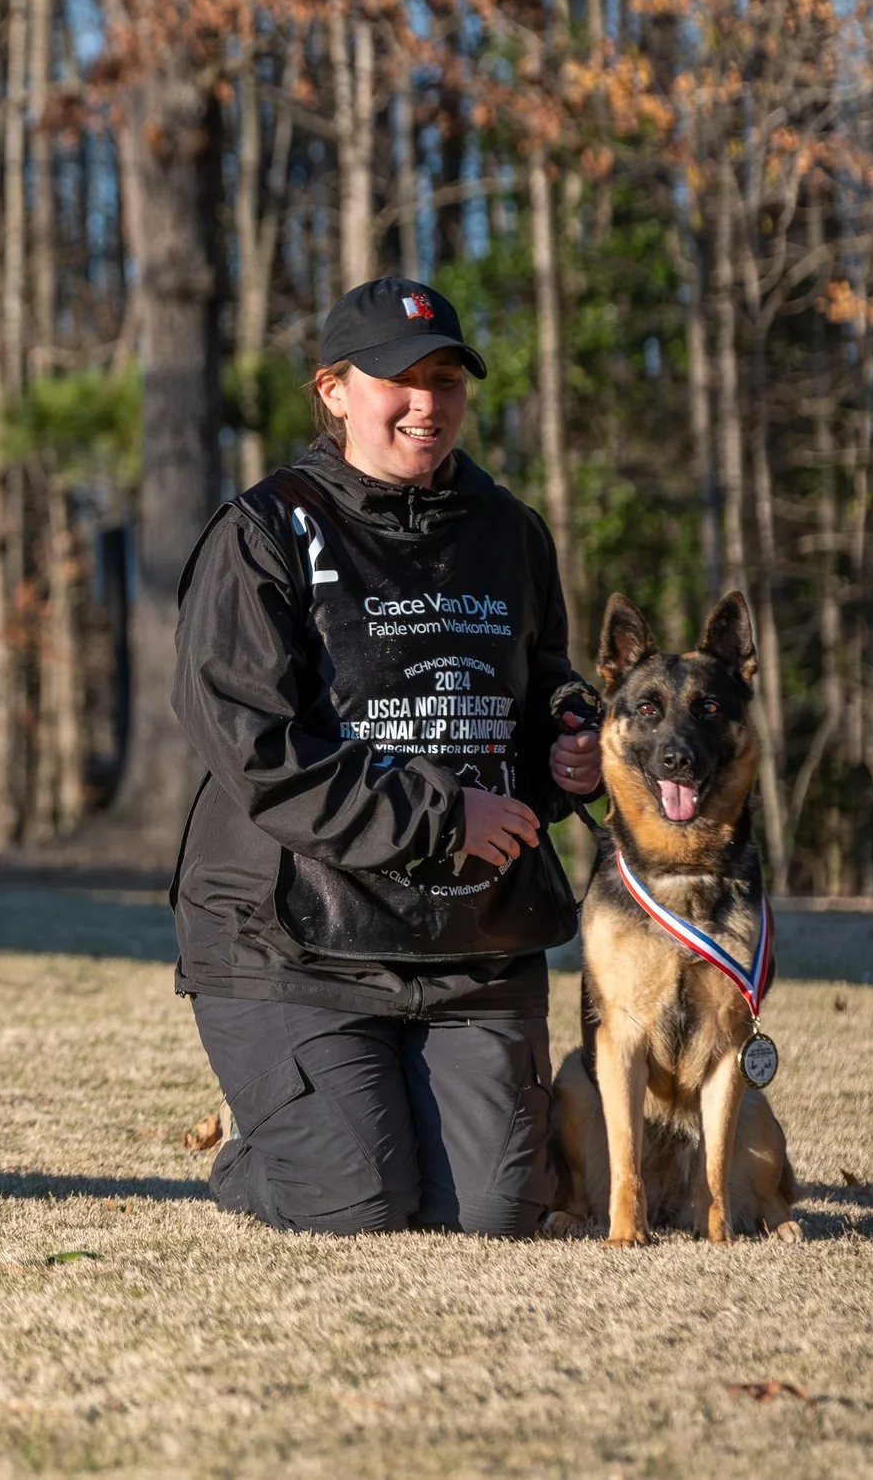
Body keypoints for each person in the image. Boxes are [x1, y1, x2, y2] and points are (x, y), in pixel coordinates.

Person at [170, 276, 602, 1238]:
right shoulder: (262, 533)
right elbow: (259, 749)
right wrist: (447, 817)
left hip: (471, 943)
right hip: (290, 936)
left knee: (493, 1213)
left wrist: (567, 754)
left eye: (447, 378)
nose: (427, 403)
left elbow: (538, 686)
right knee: (360, 1202)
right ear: (333, 390)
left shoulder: (510, 531)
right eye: (399, 379)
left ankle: (355, 1123)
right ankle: (273, 1144)